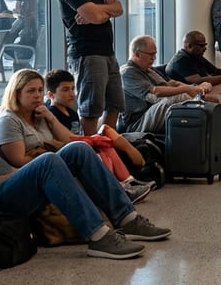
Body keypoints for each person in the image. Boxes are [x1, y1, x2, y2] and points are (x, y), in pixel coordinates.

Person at [0, 69, 171, 260]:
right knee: (47, 161)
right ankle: (98, 236)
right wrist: (7, 178)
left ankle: (127, 218)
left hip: (9, 185)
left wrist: (13, 175)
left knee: (78, 148)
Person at [0, 69, 153, 204]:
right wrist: (58, 162)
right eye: (31, 91)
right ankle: (120, 193)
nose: (38, 96)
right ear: (16, 94)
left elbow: (68, 139)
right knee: (90, 148)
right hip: (31, 171)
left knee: (85, 148)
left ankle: (121, 196)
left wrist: (51, 119)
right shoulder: (8, 121)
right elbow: (18, 160)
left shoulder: (40, 114)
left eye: (40, 90)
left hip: (50, 160)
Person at [120, 35, 221, 144]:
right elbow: (155, 93)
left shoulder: (148, 70)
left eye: (155, 53)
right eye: (151, 54)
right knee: (184, 97)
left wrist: (195, 88)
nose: (154, 58)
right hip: (138, 121)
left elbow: (171, 84)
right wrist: (191, 89)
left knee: (215, 94)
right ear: (137, 54)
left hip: (153, 109)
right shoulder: (128, 72)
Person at [43, 68, 155, 196]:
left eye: (72, 88)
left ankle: (127, 182)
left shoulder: (71, 112)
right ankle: (120, 187)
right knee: (102, 146)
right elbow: (63, 139)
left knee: (104, 143)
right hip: (69, 151)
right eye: (65, 89)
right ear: (51, 95)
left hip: (81, 145)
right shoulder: (52, 113)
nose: (71, 94)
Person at [57, 0, 125, 135]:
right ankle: (90, 152)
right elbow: (96, 16)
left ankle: (107, 147)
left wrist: (98, 10)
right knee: (91, 108)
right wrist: (103, 12)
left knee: (115, 104)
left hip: (107, 51)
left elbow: (119, 8)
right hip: (87, 53)